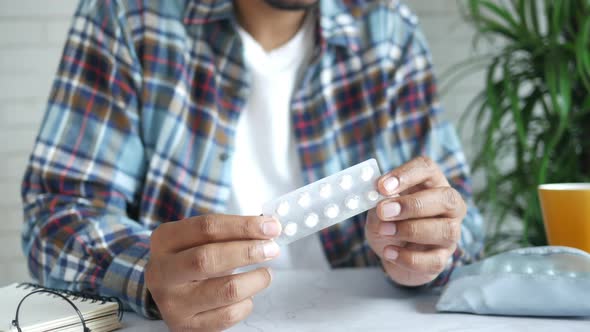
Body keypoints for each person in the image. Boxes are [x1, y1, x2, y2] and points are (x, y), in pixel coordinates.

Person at [21, 0, 484, 330]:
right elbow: (57, 215)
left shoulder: (388, 29)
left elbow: (457, 215)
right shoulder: (128, 15)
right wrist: (147, 274)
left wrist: (426, 252)